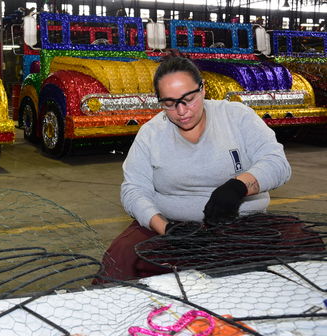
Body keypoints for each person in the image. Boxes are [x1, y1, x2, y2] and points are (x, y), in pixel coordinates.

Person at [97, 55, 292, 281]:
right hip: (173, 227)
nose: (181, 111)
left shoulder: (237, 116)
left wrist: (240, 186)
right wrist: (166, 228)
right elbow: (133, 190)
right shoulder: (151, 134)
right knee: (120, 259)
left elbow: (277, 163)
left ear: (203, 90)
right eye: (169, 104)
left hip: (240, 225)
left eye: (188, 99)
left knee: (296, 254)